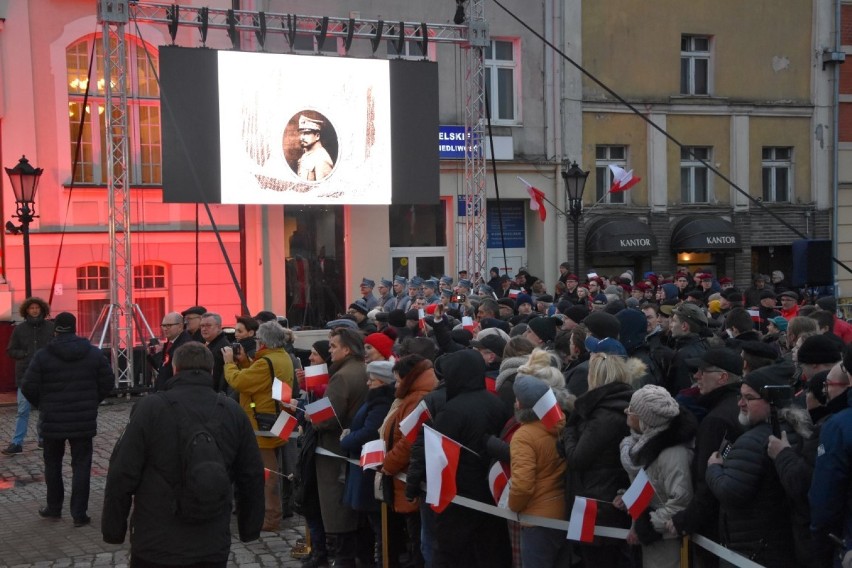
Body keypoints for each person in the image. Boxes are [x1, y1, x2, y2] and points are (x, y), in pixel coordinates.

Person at [102, 342, 265, 567]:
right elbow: (252, 474)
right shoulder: (232, 410)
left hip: (156, 539)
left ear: (175, 369)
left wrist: (113, 530)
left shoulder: (150, 408)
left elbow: (122, 471)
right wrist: (249, 528)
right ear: (211, 370)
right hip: (211, 540)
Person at [705, 363, 802, 566]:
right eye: (740, 396)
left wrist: (713, 468)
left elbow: (730, 492)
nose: (740, 403)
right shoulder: (795, 431)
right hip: (777, 545)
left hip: (752, 549)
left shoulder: (752, 441)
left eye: (749, 398)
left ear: (772, 403)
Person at [21, 312, 113, 526]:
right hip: (83, 420)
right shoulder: (92, 353)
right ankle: (79, 513)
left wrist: (43, 405)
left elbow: (28, 386)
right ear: (75, 327)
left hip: (52, 419)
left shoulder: (43, 355)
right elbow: (108, 381)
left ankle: (54, 507)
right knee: (82, 465)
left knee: (52, 464)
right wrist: (92, 401)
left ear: (55, 328)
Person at [429, 349, 512, 568]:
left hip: (459, 493)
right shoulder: (497, 403)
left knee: (453, 554)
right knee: (489, 552)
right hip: (491, 490)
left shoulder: (451, 410)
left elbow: (439, 456)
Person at [558, 340, 635, 566]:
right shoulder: (620, 405)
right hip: (605, 497)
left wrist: (570, 429)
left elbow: (578, 458)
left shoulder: (604, 416)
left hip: (596, 504)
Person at [668, 348, 743, 565]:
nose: (696, 376)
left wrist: (687, 520)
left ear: (723, 377)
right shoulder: (733, 407)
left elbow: (706, 481)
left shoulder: (716, 420)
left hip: (716, 527)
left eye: (703, 371)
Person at [223, 320, 295, 532]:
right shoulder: (280, 357)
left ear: (263, 342)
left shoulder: (266, 362)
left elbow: (240, 382)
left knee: (268, 473)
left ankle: (271, 518)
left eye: (257, 340)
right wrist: (245, 362)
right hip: (276, 418)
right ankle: (272, 514)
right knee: (272, 470)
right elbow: (260, 381)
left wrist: (229, 363)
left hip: (262, 422)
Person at [616, 385, 696, 568]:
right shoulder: (644, 446)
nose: (626, 411)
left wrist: (646, 526)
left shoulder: (673, 454)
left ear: (646, 420)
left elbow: (681, 501)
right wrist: (627, 496)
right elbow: (652, 485)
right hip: (650, 541)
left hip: (666, 545)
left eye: (632, 410)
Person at [314, 327, 369, 567]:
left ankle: (344, 558)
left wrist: (310, 416)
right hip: (354, 446)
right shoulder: (364, 369)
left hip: (336, 449)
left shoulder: (342, 376)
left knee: (338, 509)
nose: (330, 351)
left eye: (333, 346)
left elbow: (328, 418)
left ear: (346, 349)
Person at [380, 354, 438, 568]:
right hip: (406, 473)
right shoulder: (416, 395)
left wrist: (389, 463)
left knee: (418, 537)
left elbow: (408, 440)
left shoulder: (417, 399)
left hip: (409, 476)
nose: (396, 384)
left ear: (408, 378)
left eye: (397, 380)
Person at [508, 375, 570, 567]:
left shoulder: (523, 436)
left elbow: (523, 486)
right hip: (563, 511)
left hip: (537, 519)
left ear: (520, 405)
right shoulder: (560, 425)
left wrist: (513, 506)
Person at [339, 360, 395, 567]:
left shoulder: (380, 402)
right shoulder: (374, 399)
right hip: (363, 469)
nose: (368, 384)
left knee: (377, 525)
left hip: (370, 471)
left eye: (372, 380)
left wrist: (347, 440)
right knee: (368, 524)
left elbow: (370, 432)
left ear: (382, 382)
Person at [2, 296, 54, 455]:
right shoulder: (19, 329)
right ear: (27, 310)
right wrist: (24, 354)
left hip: (45, 375)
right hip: (25, 375)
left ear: (42, 309)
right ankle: (17, 442)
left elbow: (56, 347)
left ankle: (43, 439)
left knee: (45, 410)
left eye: (37, 308)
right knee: (22, 410)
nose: (34, 310)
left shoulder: (51, 327)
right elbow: (11, 350)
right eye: (31, 308)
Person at [152, 311, 192, 391]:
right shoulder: (170, 342)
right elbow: (163, 366)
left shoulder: (185, 345)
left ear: (180, 326)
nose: (165, 329)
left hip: (174, 391)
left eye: (169, 325)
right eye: (163, 325)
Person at [297, 115, 334, 181]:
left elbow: (323, 189)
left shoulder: (322, 158)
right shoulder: (307, 153)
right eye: (301, 133)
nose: (301, 137)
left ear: (317, 136)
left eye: (306, 133)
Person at [200, 313, 231, 393]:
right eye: (202, 326)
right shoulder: (211, 345)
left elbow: (217, 378)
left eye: (208, 325)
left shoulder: (222, 348)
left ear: (218, 327)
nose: (204, 329)